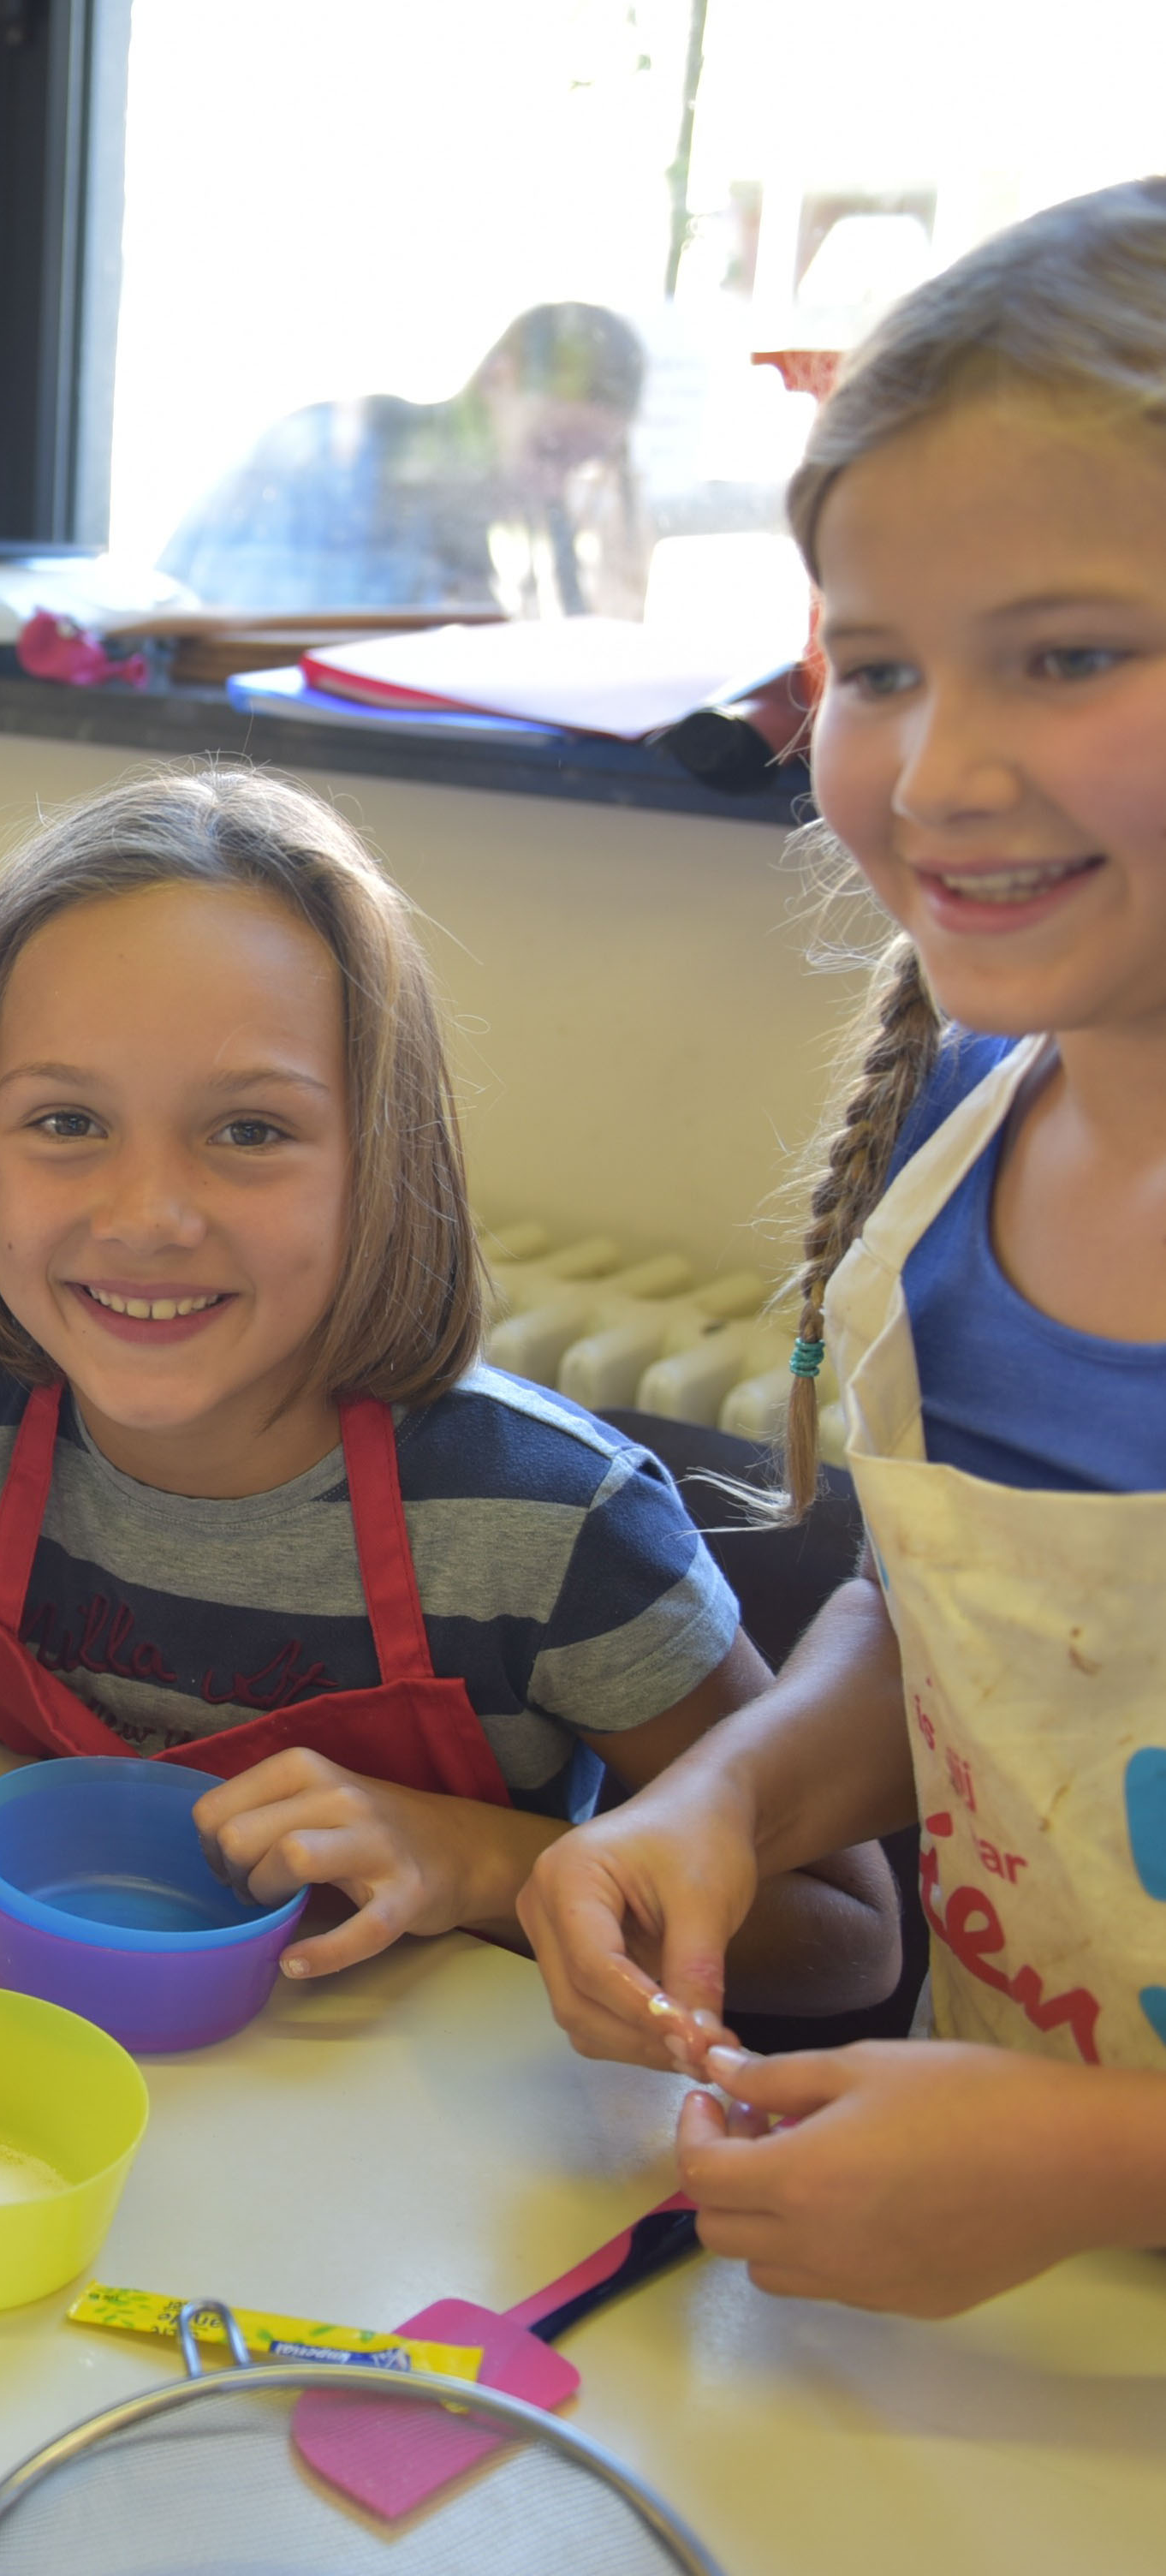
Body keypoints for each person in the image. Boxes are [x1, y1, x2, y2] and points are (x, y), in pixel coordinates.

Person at [0, 766, 896, 1989]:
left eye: (249, 1130)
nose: (146, 1216)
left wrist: (478, 1859)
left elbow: (843, 1935)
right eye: (66, 1122)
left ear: (380, 1166)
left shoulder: (550, 1531)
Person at [517, 180, 1166, 2315]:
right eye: (873, 667)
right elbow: (977, 1645)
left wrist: (1087, 2157)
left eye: (1064, 656)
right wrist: (725, 1799)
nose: (934, 767)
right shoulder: (969, 1129)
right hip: (1026, 2323)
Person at [157, 303, 651, 617]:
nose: (552, 487)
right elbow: (247, 658)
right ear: (498, 379)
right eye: (549, 449)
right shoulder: (331, 460)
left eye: (580, 466)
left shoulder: (462, 526)